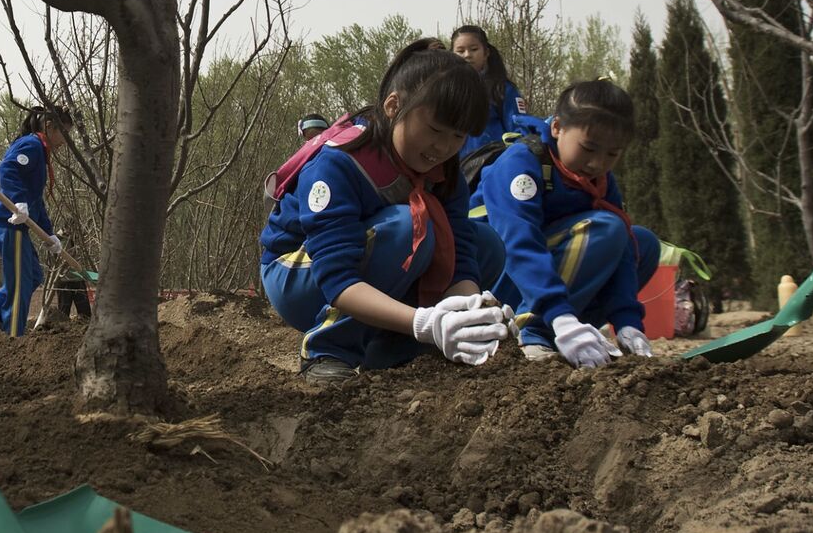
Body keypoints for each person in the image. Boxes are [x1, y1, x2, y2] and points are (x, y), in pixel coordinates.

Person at [260, 40, 510, 385]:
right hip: (299, 276)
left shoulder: (446, 173)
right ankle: (328, 349)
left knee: (487, 244)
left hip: (377, 259)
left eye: (458, 136)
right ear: (394, 106)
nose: (444, 148)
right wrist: (426, 322)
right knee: (411, 228)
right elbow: (337, 277)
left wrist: (472, 313)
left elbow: (461, 259)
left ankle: (394, 354)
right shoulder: (341, 161)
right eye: (435, 130)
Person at [471, 79, 660, 368]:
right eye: (589, 148)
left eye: (612, 154)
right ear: (557, 128)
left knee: (641, 242)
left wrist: (626, 321)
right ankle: (535, 330)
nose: (597, 163)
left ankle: (571, 331)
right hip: (496, 286)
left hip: (543, 281)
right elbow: (518, 244)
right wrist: (558, 316)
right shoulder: (522, 163)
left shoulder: (599, 180)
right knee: (605, 229)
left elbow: (620, 246)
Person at [0, 107, 72, 338]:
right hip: (8, 222)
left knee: (34, 275)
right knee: (20, 283)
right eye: (65, 134)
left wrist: (50, 236)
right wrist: (18, 201)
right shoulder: (32, 145)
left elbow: (35, 201)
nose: (65, 142)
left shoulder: (41, 152)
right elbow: (7, 169)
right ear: (49, 126)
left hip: (18, 224)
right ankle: (13, 336)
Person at [449, 25, 540, 148]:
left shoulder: (501, 89)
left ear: (486, 53)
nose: (467, 55)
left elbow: (520, 130)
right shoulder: (446, 90)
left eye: (474, 49)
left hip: (492, 162)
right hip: (454, 163)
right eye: (460, 51)